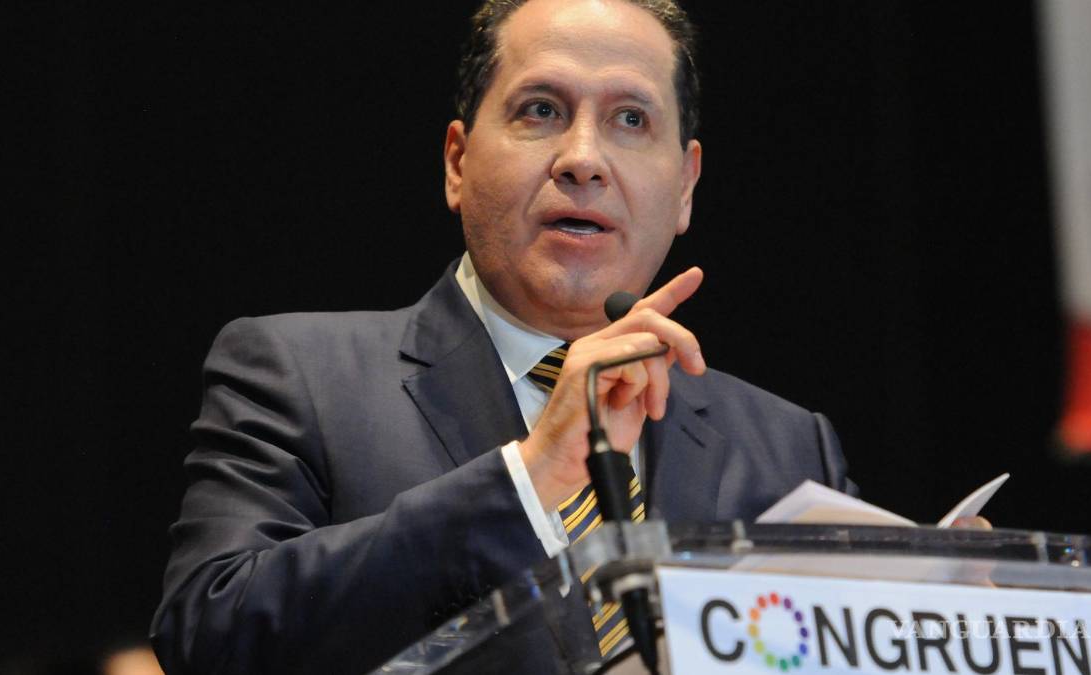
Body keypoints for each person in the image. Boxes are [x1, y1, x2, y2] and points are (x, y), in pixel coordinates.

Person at [151, 1, 854, 673]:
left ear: (686, 187)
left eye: (631, 119)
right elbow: (212, 635)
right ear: (457, 162)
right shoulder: (299, 376)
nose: (583, 158)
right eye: (541, 110)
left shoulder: (789, 449)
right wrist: (529, 476)